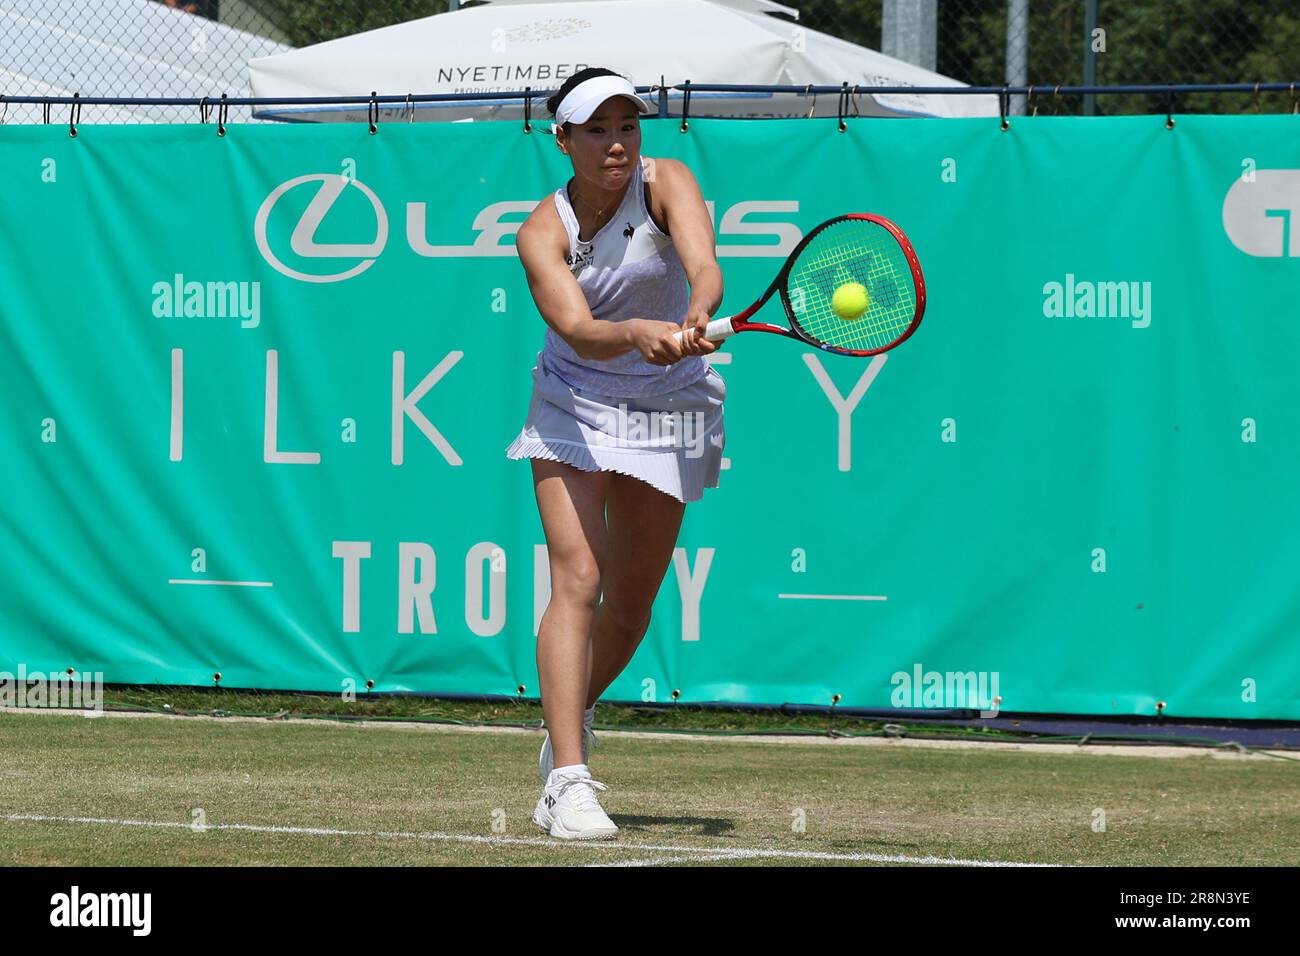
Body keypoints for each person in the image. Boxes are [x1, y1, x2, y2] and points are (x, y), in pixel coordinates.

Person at [506, 68, 726, 839]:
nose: (617, 144)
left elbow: (703, 265)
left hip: (669, 408)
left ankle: (567, 718)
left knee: (631, 606)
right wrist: (634, 332)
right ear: (561, 140)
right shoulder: (541, 231)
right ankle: (568, 780)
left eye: (627, 127)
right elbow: (577, 330)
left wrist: (697, 311)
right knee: (581, 575)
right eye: (595, 131)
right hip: (575, 402)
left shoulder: (668, 181)